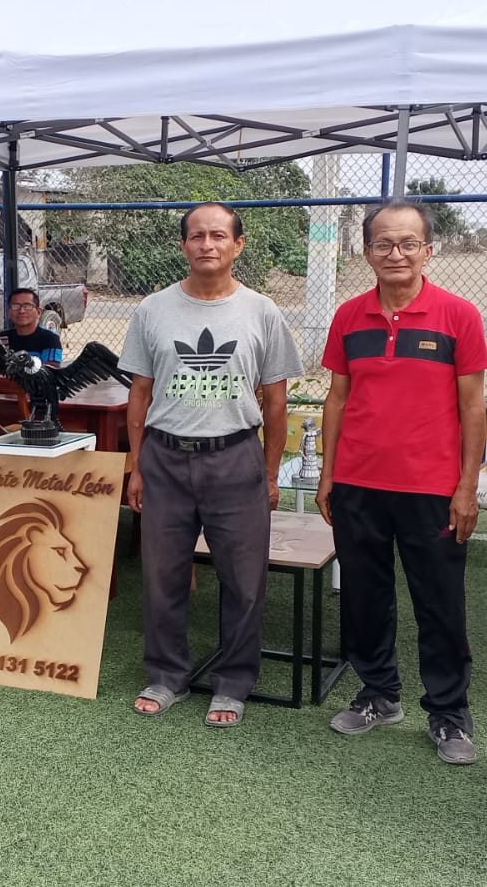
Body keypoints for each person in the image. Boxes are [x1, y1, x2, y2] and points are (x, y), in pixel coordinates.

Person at [315, 201, 487, 764]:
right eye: (384, 244)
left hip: (432, 488)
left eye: (408, 243)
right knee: (364, 596)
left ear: (427, 250)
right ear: (366, 251)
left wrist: (467, 487)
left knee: (440, 603)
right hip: (357, 483)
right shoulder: (349, 317)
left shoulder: (458, 315)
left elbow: (474, 406)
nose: (396, 253)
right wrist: (328, 474)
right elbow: (337, 398)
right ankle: (378, 693)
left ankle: (449, 712)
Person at [120, 201, 301, 728]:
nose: (207, 244)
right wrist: (137, 465)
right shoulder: (152, 309)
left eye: (218, 235)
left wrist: (270, 472)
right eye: (197, 235)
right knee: (162, 575)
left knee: (243, 579)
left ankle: (233, 681)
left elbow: (276, 402)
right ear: (183, 245)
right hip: (165, 458)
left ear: (238, 244)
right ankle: (166, 675)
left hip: (235, 458)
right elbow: (139, 393)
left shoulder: (262, 311)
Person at [3, 288, 63, 365]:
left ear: (38, 312)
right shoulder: (2, 339)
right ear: (8, 312)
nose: (21, 311)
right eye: (16, 306)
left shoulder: (50, 339)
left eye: (27, 306)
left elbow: (50, 371)